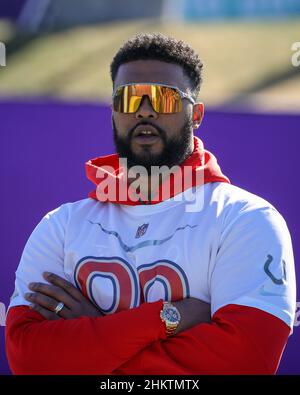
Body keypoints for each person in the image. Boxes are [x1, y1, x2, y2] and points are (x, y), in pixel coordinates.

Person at [5, 33, 296, 375]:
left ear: (197, 114)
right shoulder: (61, 225)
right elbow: (28, 358)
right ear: (114, 111)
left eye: (165, 97)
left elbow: (244, 362)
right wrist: (169, 317)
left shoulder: (246, 218)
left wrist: (93, 340)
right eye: (129, 98)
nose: (145, 110)